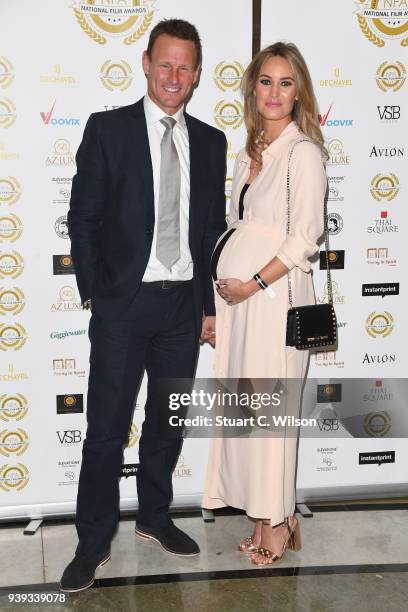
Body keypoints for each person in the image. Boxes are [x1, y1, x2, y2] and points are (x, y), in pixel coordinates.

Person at [60, 19, 227, 592]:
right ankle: (92, 540)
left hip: (182, 307)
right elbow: (83, 217)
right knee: (106, 428)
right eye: (165, 64)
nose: (174, 76)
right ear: (146, 63)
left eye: (185, 66)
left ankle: (156, 517)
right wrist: (94, 291)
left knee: (166, 422)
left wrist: (206, 306)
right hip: (123, 306)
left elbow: (209, 232)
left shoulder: (210, 141)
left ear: (198, 74)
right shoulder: (108, 130)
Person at [202, 42, 327, 566]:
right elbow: (236, 229)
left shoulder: (304, 153)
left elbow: (303, 240)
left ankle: (278, 523)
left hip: (276, 304)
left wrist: (252, 282)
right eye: (266, 82)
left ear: (299, 93)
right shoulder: (249, 150)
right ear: (252, 88)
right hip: (240, 306)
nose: (274, 93)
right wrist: (219, 302)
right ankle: (264, 516)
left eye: (286, 83)